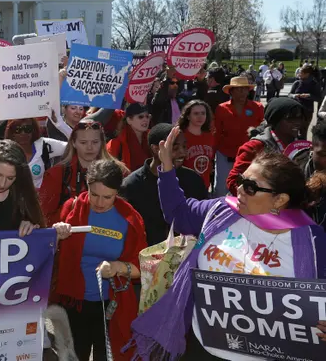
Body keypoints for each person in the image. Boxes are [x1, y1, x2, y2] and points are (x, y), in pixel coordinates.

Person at [128, 128, 326, 360]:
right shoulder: (222, 209)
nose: (239, 189)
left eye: (251, 187)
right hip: (202, 349)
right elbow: (178, 213)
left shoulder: (311, 240)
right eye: (242, 180)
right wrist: (167, 169)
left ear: (279, 200)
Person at [51, 159, 147, 361]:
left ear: (117, 193)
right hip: (73, 303)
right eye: (94, 195)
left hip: (112, 305)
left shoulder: (130, 218)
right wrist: (56, 235)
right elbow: (48, 253)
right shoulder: (72, 209)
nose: (100, 203)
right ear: (86, 186)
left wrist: (117, 267)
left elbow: (142, 268)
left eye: (107, 197)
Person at [121, 123, 207, 246]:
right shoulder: (131, 185)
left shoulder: (193, 180)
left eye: (184, 146)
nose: (182, 153)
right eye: (175, 148)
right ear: (156, 149)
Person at [39, 120, 127, 225]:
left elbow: (126, 213)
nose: (89, 147)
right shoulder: (56, 174)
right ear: (73, 143)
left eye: (95, 142)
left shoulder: (120, 171)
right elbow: (44, 219)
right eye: (83, 142)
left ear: (102, 143)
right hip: (69, 235)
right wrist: (70, 207)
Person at [227, 98, 305, 195]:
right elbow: (233, 181)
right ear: (275, 120)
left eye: (300, 117)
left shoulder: (303, 146)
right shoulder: (255, 146)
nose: (297, 122)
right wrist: (260, 198)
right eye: (290, 118)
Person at [212, 76, 263, 197]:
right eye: (238, 89)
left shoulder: (258, 107)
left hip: (249, 155)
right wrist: (212, 153)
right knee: (221, 189)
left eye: (244, 89)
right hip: (225, 153)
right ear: (231, 92)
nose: (242, 92)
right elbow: (216, 132)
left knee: (248, 188)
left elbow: (262, 131)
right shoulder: (221, 108)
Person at [0, 118, 68, 189]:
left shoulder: (44, 145)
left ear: (33, 130)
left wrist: (60, 124)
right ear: (11, 132)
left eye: (27, 129)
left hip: (38, 204)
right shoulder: (4, 148)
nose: (23, 133)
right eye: (18, 129)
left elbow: (75, 145)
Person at [178, 100, 216, 189]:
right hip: (185, 186)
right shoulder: (180, 136)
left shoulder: (209, 136)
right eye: (196, 113)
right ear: (188, 116)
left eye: (203, 113)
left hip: (204, 185)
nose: (200, 117)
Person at [106, 103, 151, 172]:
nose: (145, 120)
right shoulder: (115, 144)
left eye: (147, 117)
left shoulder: (152, 138)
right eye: (140, 117)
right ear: (129, 120)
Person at [289, 64, 322, 138]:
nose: (298, 74)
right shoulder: (297, 83)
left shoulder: (314, 84)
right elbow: (289, 94)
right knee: (293, 131)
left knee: (303, 132)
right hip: (295, 110)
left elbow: (318, 98)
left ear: (307, 74)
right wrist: (294, 96)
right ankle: (293, 147)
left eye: (301, 73)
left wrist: (309, 96)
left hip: (307, 111)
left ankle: (303, 147)